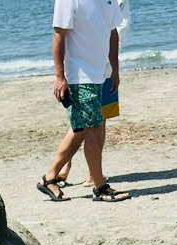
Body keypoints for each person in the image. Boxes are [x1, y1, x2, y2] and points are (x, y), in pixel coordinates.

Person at [37, 0, 130, 202]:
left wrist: (115, 69)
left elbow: (112, 32)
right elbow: (59, 34)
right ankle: (100, 187)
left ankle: (49, 178)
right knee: (94, 129)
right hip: (78, 76)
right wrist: (60, 76)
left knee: (80, 130)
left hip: (100, 74)